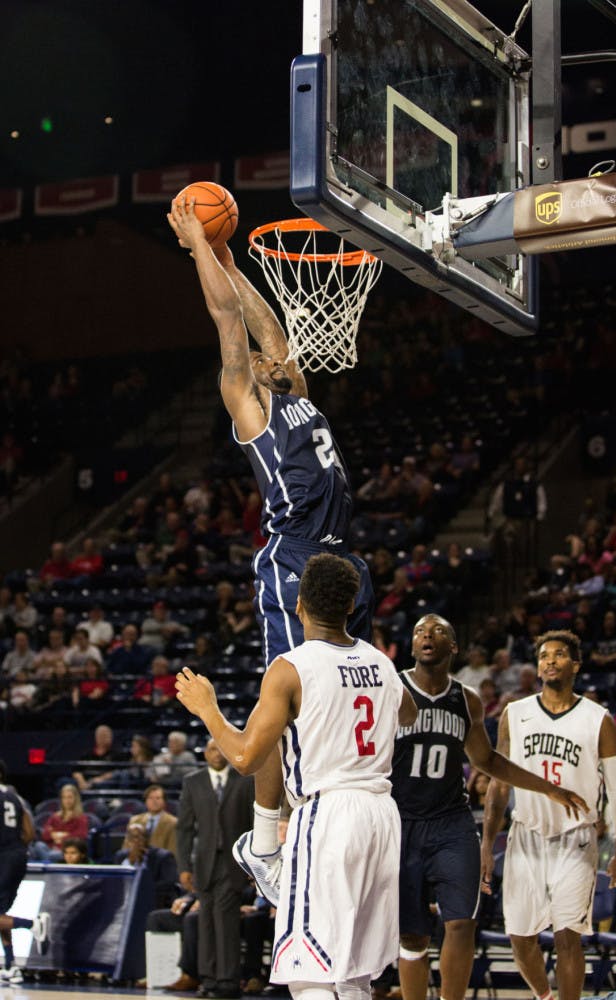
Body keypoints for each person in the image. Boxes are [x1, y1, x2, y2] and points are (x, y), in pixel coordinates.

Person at [168, 198, 375, 878]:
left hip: (342, 560)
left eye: (266, 357)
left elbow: (266, 326)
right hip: (294, 561)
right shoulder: (250, 407)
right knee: (285, 698)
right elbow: (228, 322)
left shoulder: (296, 389)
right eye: (254, 361)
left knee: (340, 693)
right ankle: (264, 843)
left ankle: (324, 809)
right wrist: (200, 243)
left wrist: (231, 259)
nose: (262, 357)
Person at [174, 552, 419, 1000]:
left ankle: (264, 849)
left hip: (329, 815)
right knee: (353, 973)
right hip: (382, 816)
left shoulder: (291, 667)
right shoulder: (382, 663)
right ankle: (264, 849)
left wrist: (207, 709)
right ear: (351, 607)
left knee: (309, 971)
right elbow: (409, 712)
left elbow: (247, 758)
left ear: (299, 604)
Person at [391, 615, 587, 1000]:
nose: (428, 635)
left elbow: (489, 761)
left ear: (454, 648)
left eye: (439, 631)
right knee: (412, 935)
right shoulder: (390, 691)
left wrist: (548, 788)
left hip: (451, 823)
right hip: (401, 822)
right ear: (413, 646)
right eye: (419, 632)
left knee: (461, 922)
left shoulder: (467, 700)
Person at [480, 629, 616, 1000]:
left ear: (575, 664)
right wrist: (486, 844)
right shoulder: (514, 714)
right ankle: (545, 997)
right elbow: (499, 785)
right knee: (520, 936)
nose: (549, 660)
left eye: (559, 654)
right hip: (525, 835)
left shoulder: (599, 719)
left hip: (576, 838)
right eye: (544, 655)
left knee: (568, 935)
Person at [177, 739, 255, 999]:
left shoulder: (245, 780)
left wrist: (253, 865)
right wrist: (184, 867)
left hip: (233, 864)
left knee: (227, 922)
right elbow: (185, 829)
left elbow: (254, 826)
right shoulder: (193, 781)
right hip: (203, 863)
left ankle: (228, 982)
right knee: (205, 922)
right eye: (211, 748)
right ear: (205, 753)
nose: (216, 753)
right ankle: (208, 980)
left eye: (221, 748)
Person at [0, 760, 49, 985]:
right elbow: (29, 832)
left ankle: (33, 925)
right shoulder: (15, 797)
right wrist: (15, 849)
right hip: (18, 856)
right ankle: (11, 965)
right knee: (1, 915)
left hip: (3, 858)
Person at [115, 822, 179, 909]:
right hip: (124, 901)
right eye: (133, 837)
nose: (137, 841)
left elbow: (168, 883)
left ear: (147, 839)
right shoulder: (121, 856)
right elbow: (115, 882)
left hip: (154, 901)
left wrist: (141, 890)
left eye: (141, 837)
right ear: (127, 840)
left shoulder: (163, 856)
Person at [40, 782, 89, 860]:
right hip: (51, 847)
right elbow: (45, 834)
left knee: (51, 856)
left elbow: (81, 836)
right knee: (38, 846)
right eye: (64, 797)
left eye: (70, 797)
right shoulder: (55, 816)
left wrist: (61, 837)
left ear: (75, 799)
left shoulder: (81, 818)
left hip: (67, 852)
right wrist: (55, 835)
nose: (67, 800)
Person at [128, 783, 178, 855]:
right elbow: (127, 847)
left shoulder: (173, 823)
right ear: (145, 801)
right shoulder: (134, 820)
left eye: (158, 798)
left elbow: (173, 850)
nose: (154, 801)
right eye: (150, 798)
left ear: (164, 802)